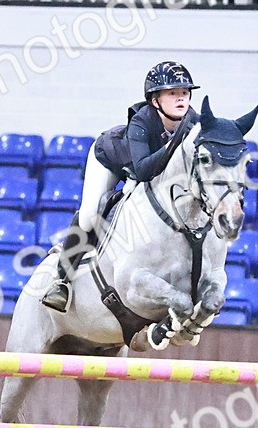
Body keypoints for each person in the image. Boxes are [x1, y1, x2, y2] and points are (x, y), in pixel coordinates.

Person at [41, 61, 201, 312]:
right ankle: (62, 281)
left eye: (185, 92)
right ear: (155, 100)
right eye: (172, 93)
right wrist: (174, 145)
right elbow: (144, 170)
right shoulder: (142, 121)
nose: (181, 98)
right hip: (113, 160)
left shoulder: (193, 122)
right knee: (89, 216)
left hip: (150, 170)